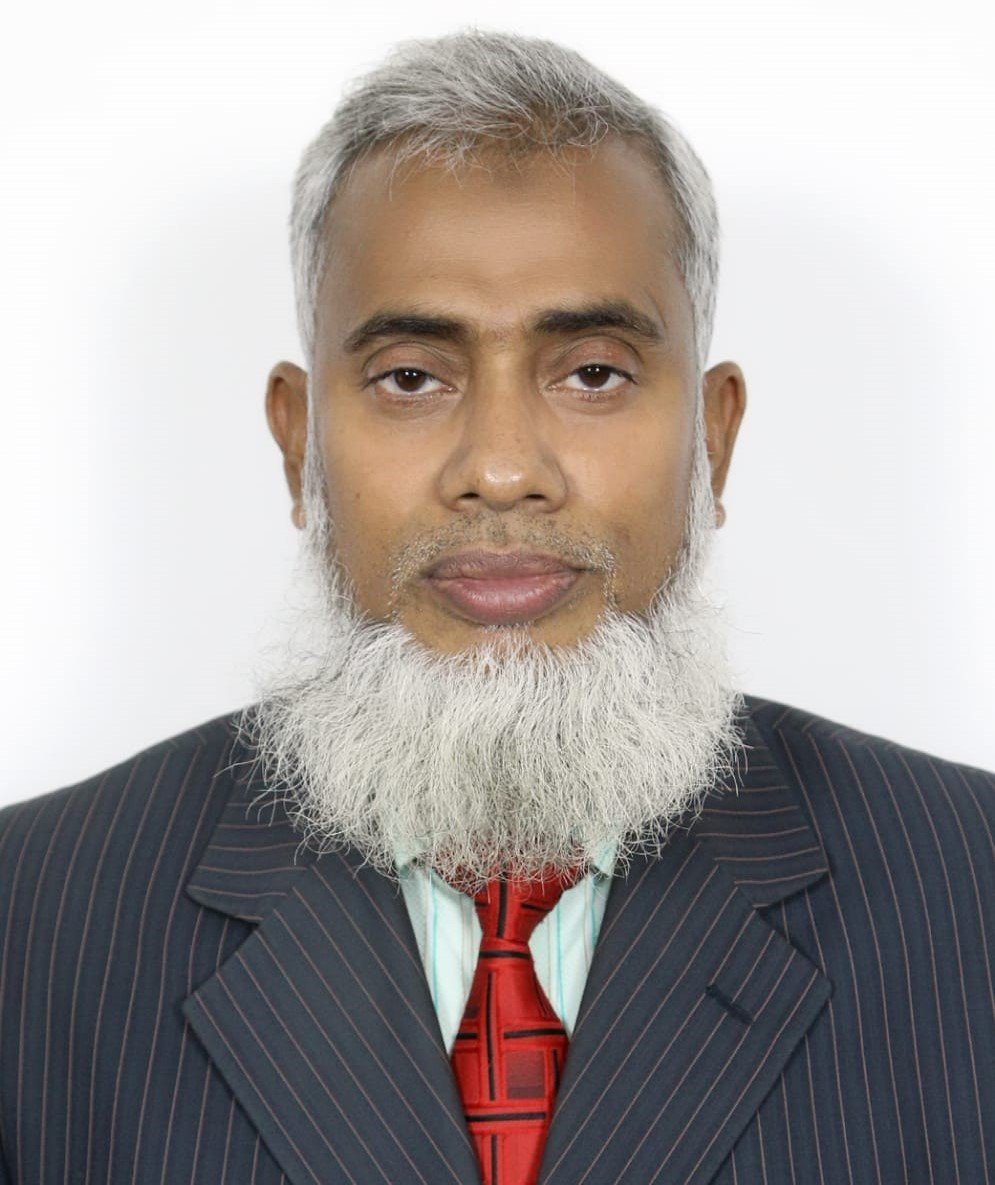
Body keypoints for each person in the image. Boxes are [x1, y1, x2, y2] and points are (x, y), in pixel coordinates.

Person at [1, 27, 992, 1185]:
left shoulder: (968, 891)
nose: (503, 469)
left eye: (593, 373)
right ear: (297, 444)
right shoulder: (32, 917)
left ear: (711, 441)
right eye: (410, 377)